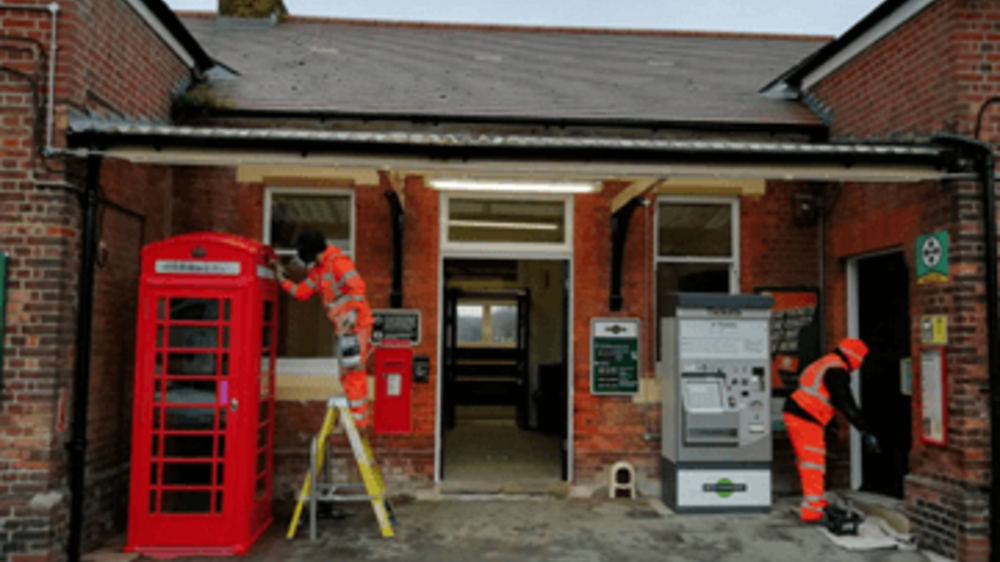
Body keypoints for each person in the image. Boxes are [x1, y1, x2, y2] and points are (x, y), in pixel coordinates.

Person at [274, 228, 375, 428]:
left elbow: (358, 286)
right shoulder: (318, 271)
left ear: (310, 251)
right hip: (344, 327)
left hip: (357, 324)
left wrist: (353, 313)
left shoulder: (338, 263)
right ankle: (358, 418)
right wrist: (282, 280)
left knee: (353, 370)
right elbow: (302, 293)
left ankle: (360, 422)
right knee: (347, 372)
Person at [783, 337, 881, 523]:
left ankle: (816, 502)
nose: (860, 365)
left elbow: (826, 398)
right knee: (813, 463)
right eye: (861, 360)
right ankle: (812, 510)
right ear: (855, 357)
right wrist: (865, 431)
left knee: (809, 461)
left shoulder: (825, 363)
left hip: (801, 413)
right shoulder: (836, 371)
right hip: (805, 417)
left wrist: (832, 425)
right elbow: (846, 404)